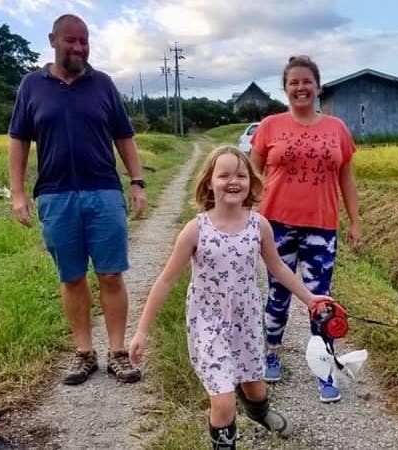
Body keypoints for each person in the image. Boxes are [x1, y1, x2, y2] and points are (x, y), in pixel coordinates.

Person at [127, 146, 334, 450]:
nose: (233, 181)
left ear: (251, 181)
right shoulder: (195, 230)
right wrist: (142, 331)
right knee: (223, 401)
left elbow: (277, 267)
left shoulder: (258, 225)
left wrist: (310, 298)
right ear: (209, 181)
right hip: (207, 323)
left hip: (245, 320)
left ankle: (260, 413)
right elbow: (166, 280)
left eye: (241, 174)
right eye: (224, 175)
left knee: (254, 388)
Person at [7, 14, 147, 386]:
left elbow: (124, 136)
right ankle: (84, 353)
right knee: (71, 278)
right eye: (72, 41)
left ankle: (118, 352)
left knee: (111, 273)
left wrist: (137, 181)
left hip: (103, 191)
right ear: (53, 40)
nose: (80, 48)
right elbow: (19, 140)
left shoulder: (103, 85)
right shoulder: (31, 86)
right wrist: (17, 191)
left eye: (84, 41)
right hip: (55, 195)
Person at [249, 55, 361, 403]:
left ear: (317, 86)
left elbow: (346, 177)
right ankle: (272, 352)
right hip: (276, 225)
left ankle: (324, 369)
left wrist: (355, 220)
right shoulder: (269, 126)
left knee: (320, 301)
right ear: (285, 88)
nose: (300, 87)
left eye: (306, 81)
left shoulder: (337, 129)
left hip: (322, 226)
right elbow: (250, 176)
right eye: (293, 82)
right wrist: (243, 217)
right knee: (278, 295)